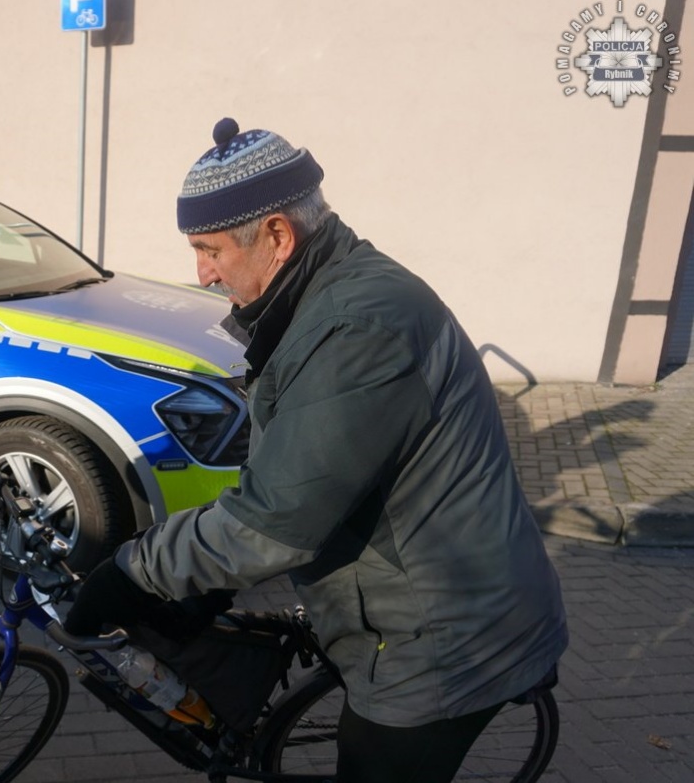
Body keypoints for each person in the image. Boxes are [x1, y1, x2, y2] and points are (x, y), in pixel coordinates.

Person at [64, 117, 569, 782]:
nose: (202, 273)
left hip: (446, 642)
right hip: (421, 606)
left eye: (209, 249)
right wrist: (204, 578)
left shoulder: (355, 326)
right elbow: (293, 475)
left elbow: (276, 525)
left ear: (276, 234)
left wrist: (133, 572)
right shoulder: (327, 296)